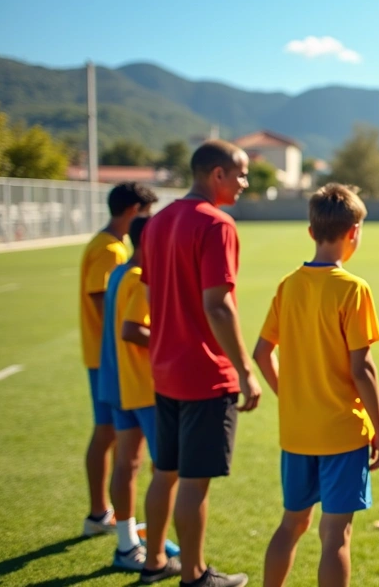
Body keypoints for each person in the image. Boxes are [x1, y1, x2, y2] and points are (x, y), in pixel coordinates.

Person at [253, 184, 379, 587]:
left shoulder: (288, 285)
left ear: (311, 232)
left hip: (297, 433)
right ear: (355, 232)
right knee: (335, 536)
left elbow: (262, 353)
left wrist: (290, 396)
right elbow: (362, 367)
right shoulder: (353, 289)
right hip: (342, 433)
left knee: (291, 524)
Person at [141, 140, 261, 587]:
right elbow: (218, 306)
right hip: (204, 374)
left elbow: (153, 296)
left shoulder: (156, 223)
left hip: (165, 369)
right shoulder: (217, 224)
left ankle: (155, 560)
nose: (245, 183)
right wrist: (245, 371)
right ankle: (193, 575)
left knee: (164, 472)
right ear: (217, 174)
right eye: (241, 174)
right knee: (193, 482)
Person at [97, 213, 183, 574]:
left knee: (127, 464)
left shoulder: (119, 273)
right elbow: (132, 330)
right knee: (168, 469)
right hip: (143, 387)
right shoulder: (137, 278)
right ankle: (152, 554)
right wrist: (175, 344)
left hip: (119, 384)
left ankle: (127, 541)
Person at [79, 181, 159, 538]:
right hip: (113, 361)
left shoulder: (112, 249)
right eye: (147, 214)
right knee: (114, 440)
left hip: (110, 359)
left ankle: (113, 522)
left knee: (118, 443)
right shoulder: (113, 252)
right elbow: (108, 307)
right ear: (133, 211)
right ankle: (102, 514)